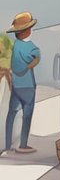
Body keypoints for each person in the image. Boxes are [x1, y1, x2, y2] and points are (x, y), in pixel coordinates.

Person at [3, 13, 40, 156]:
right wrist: (30, 66)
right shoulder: (30, 47)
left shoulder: (15, 46)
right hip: (28, 86)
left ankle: (7, 145)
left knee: (11, 113)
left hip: (16, 86)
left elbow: (14, 67)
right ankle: (23, 145)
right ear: (27, 31)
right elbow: (37, 57)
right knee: (27, 115)